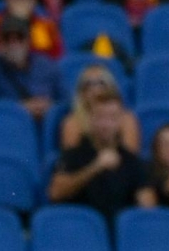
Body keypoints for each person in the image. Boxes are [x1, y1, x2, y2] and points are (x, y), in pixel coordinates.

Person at [48, 89, 149, 220]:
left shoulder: (132, 160)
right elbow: (55, 192)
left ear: (120, 121)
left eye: (112, 118)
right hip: (81, 230)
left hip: (118, 233)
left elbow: (147, 204)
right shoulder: (73, 154)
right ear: (90, 119)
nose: (106, 124)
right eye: (100, 117)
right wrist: (95, 167)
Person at [0, 13, 61, 120]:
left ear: (28, 41)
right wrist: (17, 109)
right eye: (7, 38)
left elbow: (64, 102)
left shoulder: (47, 65)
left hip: (44, 125)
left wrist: (50, 107)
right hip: (4, 128)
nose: (13, 44)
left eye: (19, 37)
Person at [57, 65, 141, 153]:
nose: (95, 89)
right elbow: (70, 161)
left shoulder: (127, 119)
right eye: (88, 84)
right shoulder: (72, 122)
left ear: (111, 88)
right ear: (81, 92)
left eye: (101, 83)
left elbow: (131, 156)